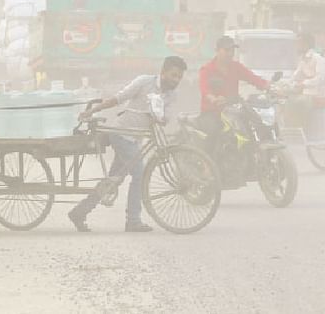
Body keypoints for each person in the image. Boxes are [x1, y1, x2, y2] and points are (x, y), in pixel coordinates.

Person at [67, 56, 188, 232]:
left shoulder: (171, 95)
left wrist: (158, 113)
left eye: (179, 77)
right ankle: (133, 220)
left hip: (135, 138)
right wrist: (93, 110)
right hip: (121, 134)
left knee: (113, 180)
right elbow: (119, 98)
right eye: (173, 75)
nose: (176, 80)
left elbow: (165, 119)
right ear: (163, 72)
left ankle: (79, 212)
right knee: (140, 173)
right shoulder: (144, 82)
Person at [198, 36, 269, 154]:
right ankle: (207, 166)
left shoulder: (236, 67)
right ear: (217, 50)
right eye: (226, 50)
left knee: (255, 123)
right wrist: (214, 99)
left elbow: (253, 78)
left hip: (233, 110)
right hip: (212, 112)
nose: (230, 53)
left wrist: (269, 87)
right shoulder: (207, 69)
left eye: (232, 50)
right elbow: (204, 90)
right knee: (213, 132)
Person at [284, 32, 325, 129]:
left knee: (300, 102)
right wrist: (284, 84)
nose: (297, 46)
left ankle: (301, 128)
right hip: (304, 93)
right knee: (285, 101)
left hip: (316, 94)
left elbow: (320, 79)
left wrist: (304, 84)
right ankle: (289, 129)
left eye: (299, 43)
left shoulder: (318, 59)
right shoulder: (302, 59)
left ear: (306, 44)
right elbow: (295, 76)